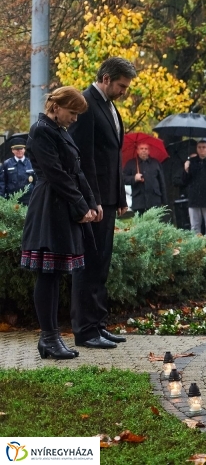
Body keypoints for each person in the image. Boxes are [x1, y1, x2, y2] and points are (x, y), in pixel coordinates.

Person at [21, 87, 97, 359]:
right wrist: (80, 205)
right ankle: (49, 338)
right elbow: (56, 174)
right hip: (49, 207)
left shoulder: (60, 131)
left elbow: (76, 170)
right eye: (72, 112)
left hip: (62, 205)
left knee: (55, 275)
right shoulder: (41, 130)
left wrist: (91, 202)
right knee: (47, 273)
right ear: (56, 106)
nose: (74, 118)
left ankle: (50, 339)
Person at [69, 57, 133, 349]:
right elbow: (84, 159)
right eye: (121, 86)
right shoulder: (85, 103)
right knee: (89, 264)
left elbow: (112, 157)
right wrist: (91, 201)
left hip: (107, 200)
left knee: (101, 264)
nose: (124, 91)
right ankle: (84, 330)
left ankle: (97, 324)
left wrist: (119, 198)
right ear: (106, 78)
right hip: (93, 201)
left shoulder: (109, 105)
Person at [122, 144, 167, 215]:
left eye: (146, 149)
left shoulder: (156, 163)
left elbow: (162, 183)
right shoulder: (131, 163)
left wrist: (164, 201)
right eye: (141, 148)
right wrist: (134, 178)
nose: (144, 150)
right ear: (137, 151)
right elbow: (123, 179)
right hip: (138, 202)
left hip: (154, 200)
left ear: (149, 151)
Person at [1, 140, 35, 205]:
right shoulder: (7, 164)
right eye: (16, 149)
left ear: (24, 150)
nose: (19, 151)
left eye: (21, 149)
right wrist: (2, 197)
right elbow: (3, 181)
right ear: (12, 150)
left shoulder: (31, 163)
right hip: (12, 197)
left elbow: (36, 180)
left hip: (29, 198)